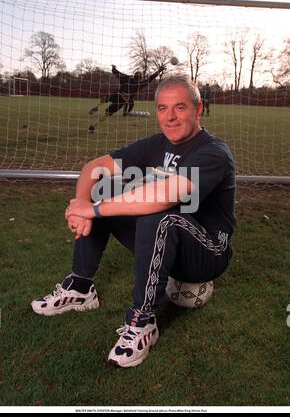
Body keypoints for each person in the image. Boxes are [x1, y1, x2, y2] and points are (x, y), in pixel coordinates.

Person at [31, 76, 236, 369]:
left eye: (180, 107)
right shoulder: (157, 144)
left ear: (198, 109)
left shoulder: (214, 152)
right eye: (163, 108)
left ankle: (142, 321)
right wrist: (81, 206)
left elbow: (166, 194)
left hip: (207, 252)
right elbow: (95, 166)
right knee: (104, 188)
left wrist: (95, 210)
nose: (170, 117)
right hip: (166, 243)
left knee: (157, 212)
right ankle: (79, 287)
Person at [88, 65, 164, 132]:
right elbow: (150, 79)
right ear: (140, 78)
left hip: (116, 95)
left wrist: (113, 68)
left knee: (105, 99)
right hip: (121, 101)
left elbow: (118, 73)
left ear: (134, 75)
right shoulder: (140, 84)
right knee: (107, 114)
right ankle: (94, 126)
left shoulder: (126, 78)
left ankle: (97, 107)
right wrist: (159, 71)